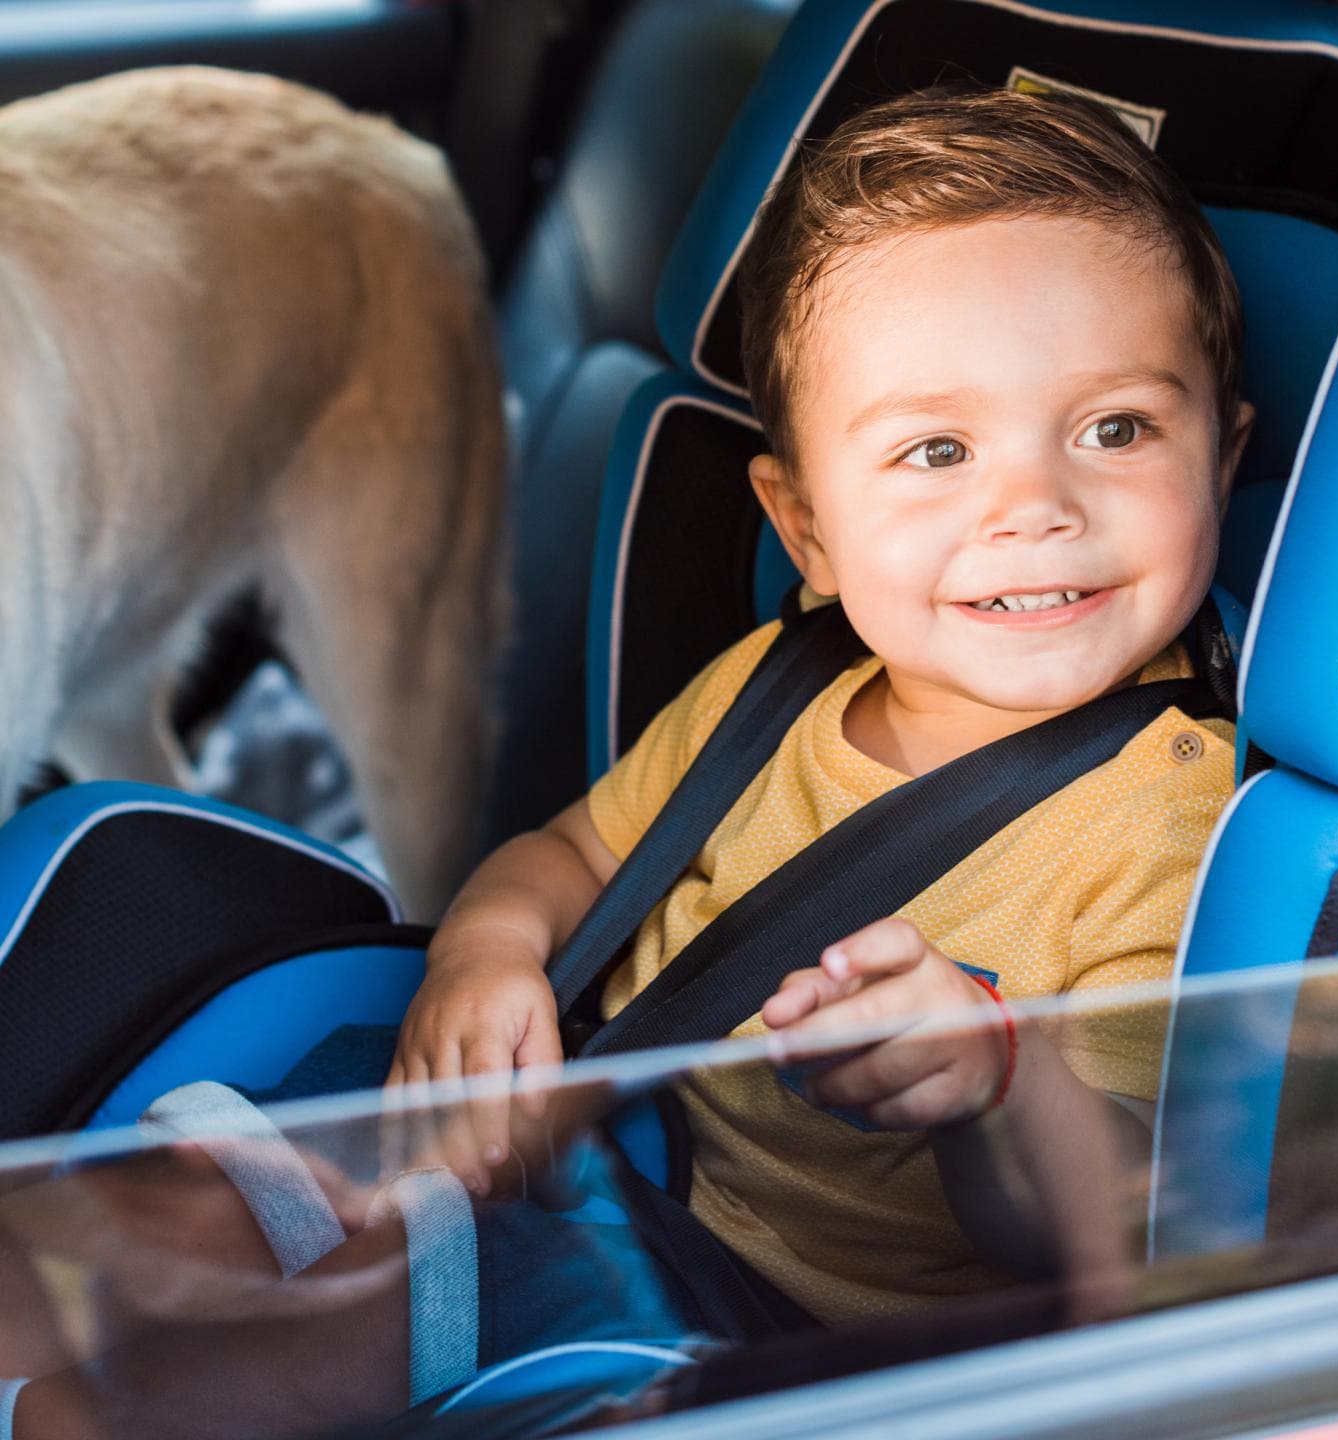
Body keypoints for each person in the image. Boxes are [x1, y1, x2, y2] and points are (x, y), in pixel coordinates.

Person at [2, 85, 1252, 1437]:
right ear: (807, 529)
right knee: (133, 1220)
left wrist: (1001, 1080)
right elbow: (570, 855)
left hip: (757, 1324)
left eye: (1117, 429)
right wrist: (486, 953)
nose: (1035, 507)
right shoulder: (779, 686)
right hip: (584, 1156)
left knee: (222, 1361)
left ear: (1224, 453)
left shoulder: (1169, 825)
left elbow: (1118, 1235)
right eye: (938, 450)